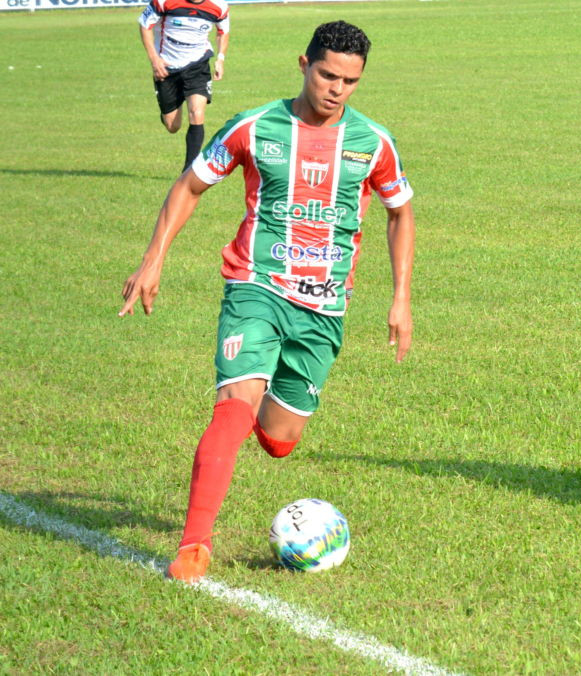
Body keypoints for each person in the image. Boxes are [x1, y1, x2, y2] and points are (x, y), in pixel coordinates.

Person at [119, 21, 415, 581]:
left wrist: (401, 298)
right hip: (255, 285)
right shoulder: (256, 127)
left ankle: (256, 404)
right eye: (327, 74)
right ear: (303, 64)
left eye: (350, 81)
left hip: (325, 307)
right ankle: (193, 547)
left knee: (280, 440)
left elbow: (400, 213)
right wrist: (154, 257)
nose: (336, 88)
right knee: (233, 408)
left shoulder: (373, 143)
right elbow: (189, 185)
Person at [138, 0, 231, 172]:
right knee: (173, 126)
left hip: (198, 65)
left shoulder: (219, 6)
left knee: (197, 113)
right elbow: (145, 25)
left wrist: (220, 58)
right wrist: (154, 60)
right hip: (166, 67)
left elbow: (223, 31)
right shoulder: (164, 2)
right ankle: (167, 111)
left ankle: (189, 172)